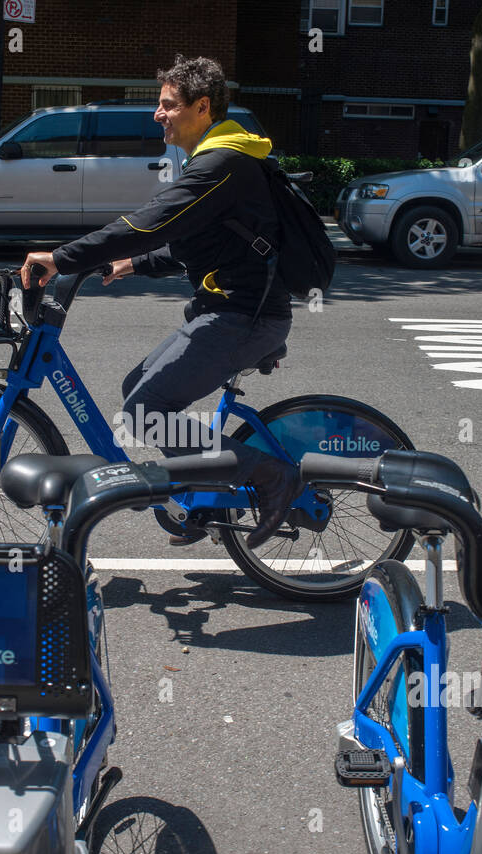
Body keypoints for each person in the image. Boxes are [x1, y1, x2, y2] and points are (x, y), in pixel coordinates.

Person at [20, 55, 298, 550]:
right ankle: (202, 490)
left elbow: (150, 222)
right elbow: (197, 241)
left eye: (168, 105)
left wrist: (61, 259)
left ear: (202, 106)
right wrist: (132, 265)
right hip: (228, 310)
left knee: (146, 409)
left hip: (246, 316)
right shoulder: (217, 156)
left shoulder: (223, 162)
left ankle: (271, 477)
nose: (157, 114)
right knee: (136, 391)